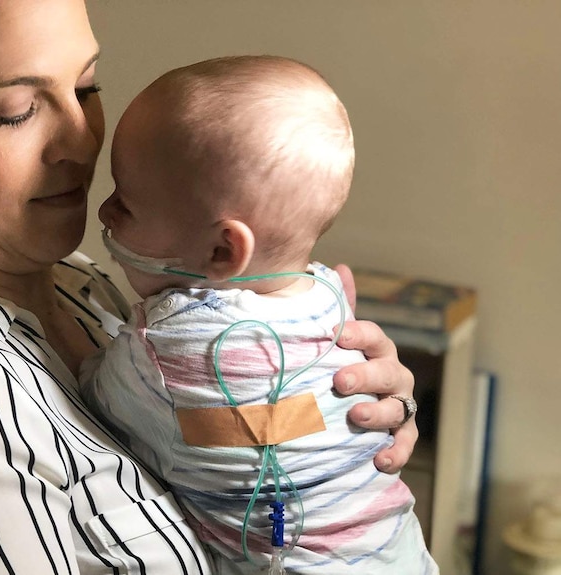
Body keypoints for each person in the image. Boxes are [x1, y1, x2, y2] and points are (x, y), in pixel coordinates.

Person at [0, 1, 420, 573]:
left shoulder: (89, 290)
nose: (81, 139)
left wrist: (334, 426)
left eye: (87, 86)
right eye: (14, 109)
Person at [83, 56, 436, 574]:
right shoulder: (328, 291)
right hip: (397, 550)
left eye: (126, 204)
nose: (104, 211)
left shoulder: (169, 345)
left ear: (224, 252)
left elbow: (93, 397)